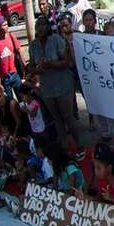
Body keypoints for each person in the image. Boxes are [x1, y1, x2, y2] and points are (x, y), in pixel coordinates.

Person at [27, 16, 79, 154]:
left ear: (48, 27)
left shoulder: (56, 40)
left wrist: (51, 64)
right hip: (47, 88)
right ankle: (64, 147)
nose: (40, 28)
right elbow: (31, 65)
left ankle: (79, 145)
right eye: (38, 25)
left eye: (43, 25)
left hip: (63, 84)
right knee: (57, 119)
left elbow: (66, 61)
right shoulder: (33, 45)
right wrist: (35, 69)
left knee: (68, 116)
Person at [0, 16, 24, 101]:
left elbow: (20, 52)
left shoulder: (11, 36)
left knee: (22, 99)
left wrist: (24, 69)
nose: (6, 26)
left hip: (15, 74)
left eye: (6, 24)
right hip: (4, 79)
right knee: (10, 103)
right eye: (4, 25)